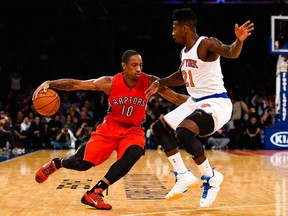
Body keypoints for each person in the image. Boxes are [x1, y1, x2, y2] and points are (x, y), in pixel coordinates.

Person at [33, 49, 188, 210]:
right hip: (110, 127)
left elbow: (176, 98)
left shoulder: (150, 82)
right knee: (82, 164)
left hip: (133, 130)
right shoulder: (110, 82)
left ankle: (95, 192)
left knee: (135, 151)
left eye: (140, 65)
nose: (138, 69)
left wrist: (204, 101)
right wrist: (50, 83)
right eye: (134, 65)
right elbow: (76, 84)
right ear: (124, 66)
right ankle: (57, 163)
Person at [145, 8, 254, 207]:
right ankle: (183, 175)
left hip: (216, 103)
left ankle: (210, 178)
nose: (172, 32)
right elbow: (180, 76)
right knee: (158, 128)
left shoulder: (206, 43)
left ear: (185, 28)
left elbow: (231, 52)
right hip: (195, 102)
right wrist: (159, 83)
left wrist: (239, 40)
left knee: (184, 131)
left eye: (174, 28)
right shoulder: (183, 53)